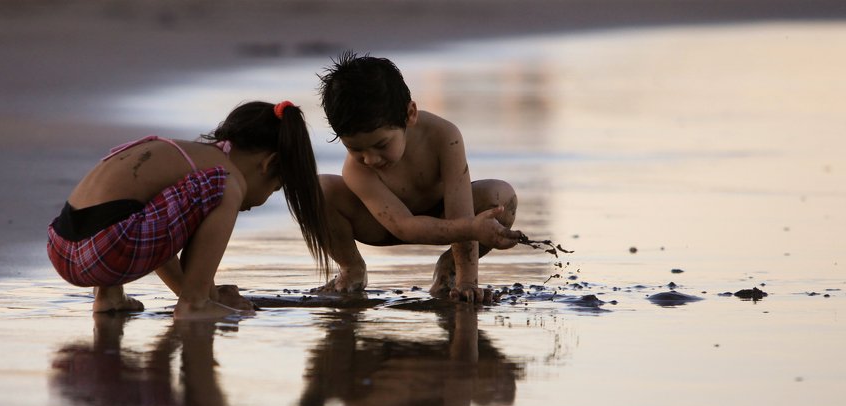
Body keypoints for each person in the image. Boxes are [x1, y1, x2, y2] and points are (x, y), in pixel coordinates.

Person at [46, 101, 330, 319]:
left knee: (142, 203)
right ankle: (196, 303)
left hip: (62, 247)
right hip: (105, 250)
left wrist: (212, 292)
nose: (264, 199)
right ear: (268, 164)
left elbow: (157, 231)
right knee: (226, 186)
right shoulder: (223, 176)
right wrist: (202, 299)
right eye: (275, 188)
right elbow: (155, 233)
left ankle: (109, 298)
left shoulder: (184, 155)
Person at [316, 52, 523, 303]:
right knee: (319, 190)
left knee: (500, 197)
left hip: (444, 216)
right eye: (355, 149)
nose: (370, 159)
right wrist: (471, 226)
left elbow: (461, 212)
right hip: (383, 224)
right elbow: (404, 226)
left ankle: (450, 270)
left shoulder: (444, 135)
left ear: (410, 114)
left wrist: (468, 282)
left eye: (381, 144)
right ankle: (352, 269)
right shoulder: (356, 169)